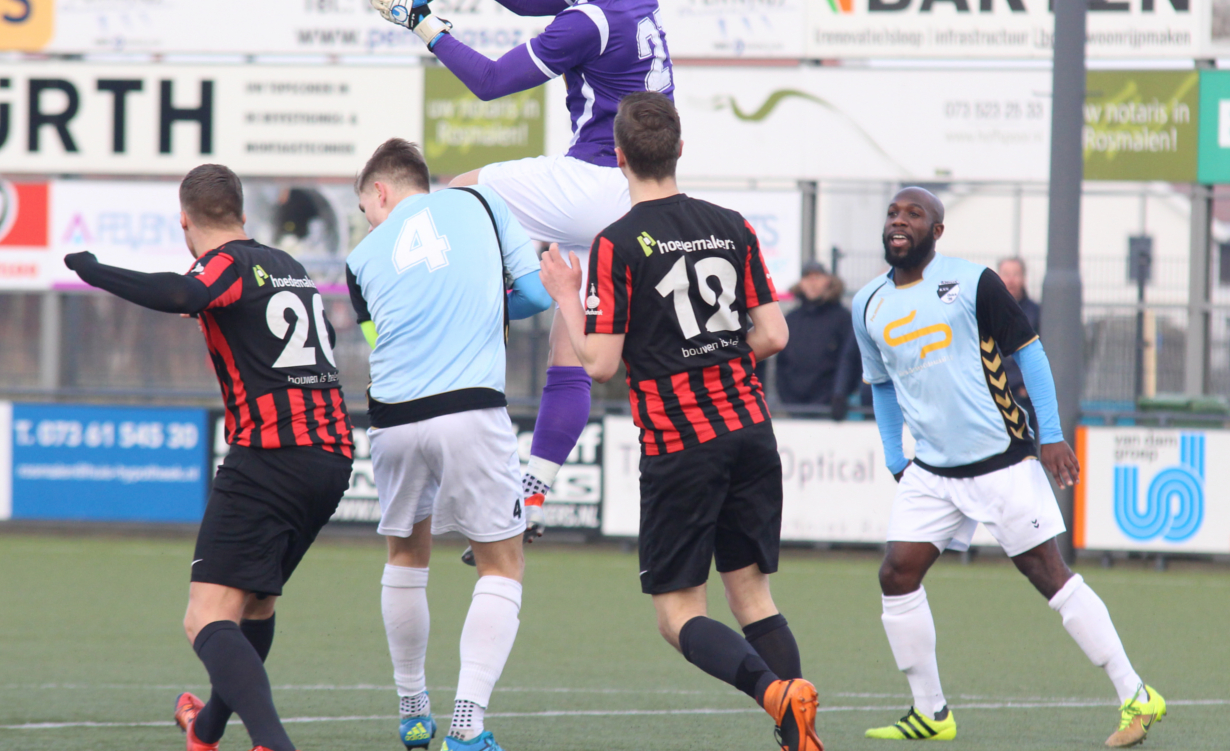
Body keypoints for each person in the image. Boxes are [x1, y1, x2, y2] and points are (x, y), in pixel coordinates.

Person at [367, 0, 672, 535]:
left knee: (452, 198)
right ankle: (532, 492)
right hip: (635, 195)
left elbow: (489, 82)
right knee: (573, 343)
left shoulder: (589, 21)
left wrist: (421, 22)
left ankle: (444, 330)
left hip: (593, 183)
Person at [539, 92, 823, 751]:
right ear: (680, 149)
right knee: (753, 597)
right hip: (751, 431)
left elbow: (602, 363)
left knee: (676, 614)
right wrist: (715, 357)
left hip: (683, 441)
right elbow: (773, 333)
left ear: (618, 158)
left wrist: (564, 297)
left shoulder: (616, 243)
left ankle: (776, 695)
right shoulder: (731, 223)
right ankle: (799, 736)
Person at [851, 188, 1164, 747]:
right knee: (897, 575)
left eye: (913, 214)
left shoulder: (974, 282)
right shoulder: (867, 303)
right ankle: (931, 713)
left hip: (1001, 461)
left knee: (1049, 576)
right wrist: (896, 456)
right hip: (932, 472)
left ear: (937, 231)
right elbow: (880, 386)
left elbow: (1031, 353)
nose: (899, 221)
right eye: (894, 214)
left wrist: (1051, 436)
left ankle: (1136, 693)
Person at [64, 164, 354, 751]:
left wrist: (96, 272)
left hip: (271, 454)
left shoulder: (227, 264)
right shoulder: (292, 268)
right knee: (254, 604)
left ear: (185, 222)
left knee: (204, 617)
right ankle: (207, 731)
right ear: (244, 215)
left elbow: (185, 294)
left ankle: (273, 743)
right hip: (332, 457)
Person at [345, 139, 552, 751]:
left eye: (365, 207)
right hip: (468, 407)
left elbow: (378, 334)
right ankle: (467, 725)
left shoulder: (359, 260)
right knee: (502, 563)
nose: (368, 219)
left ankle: (413, 708)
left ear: (380, 192)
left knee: (405, 556)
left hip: (391, 416)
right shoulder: (483, 204)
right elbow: (538, 295)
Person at [774, 260, 856, 419]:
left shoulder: (842, 318)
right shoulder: (791, 319)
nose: (812, 283)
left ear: (827, 281)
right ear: (801, 284)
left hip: (830, 408)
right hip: (793, 407)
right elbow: (781, 363)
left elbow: (850, 360)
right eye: (807, 278)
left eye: (817, 277)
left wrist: (840, 395)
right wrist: (785, 399)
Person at [997, 256, 1040, 431]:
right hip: (994, 395)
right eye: (1006, 274)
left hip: (1023, 398)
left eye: (1016, 274)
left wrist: (1026, 387)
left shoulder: (1037, 313)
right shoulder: (987, 311)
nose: (1010, 280)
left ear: (1024, 278)